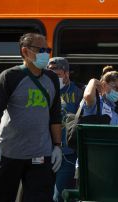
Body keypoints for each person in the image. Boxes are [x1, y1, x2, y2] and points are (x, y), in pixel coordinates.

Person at [0, 33, 62, 201]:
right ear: (25, 52)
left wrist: (57, 146)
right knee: (3, 197)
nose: (46, 54)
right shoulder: (9, 76)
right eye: (41, 49)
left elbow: (55, 114)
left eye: (47, 49)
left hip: (40, 153)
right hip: (10, 152)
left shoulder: (51, 78)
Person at [47, 57, 83, 202]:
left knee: (59, 196)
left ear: (66, 73)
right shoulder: (44, 90)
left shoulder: (78, 91)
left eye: (57, 74)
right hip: (44, 150)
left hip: (68, 153)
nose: (53, 78)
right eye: (49, 74)